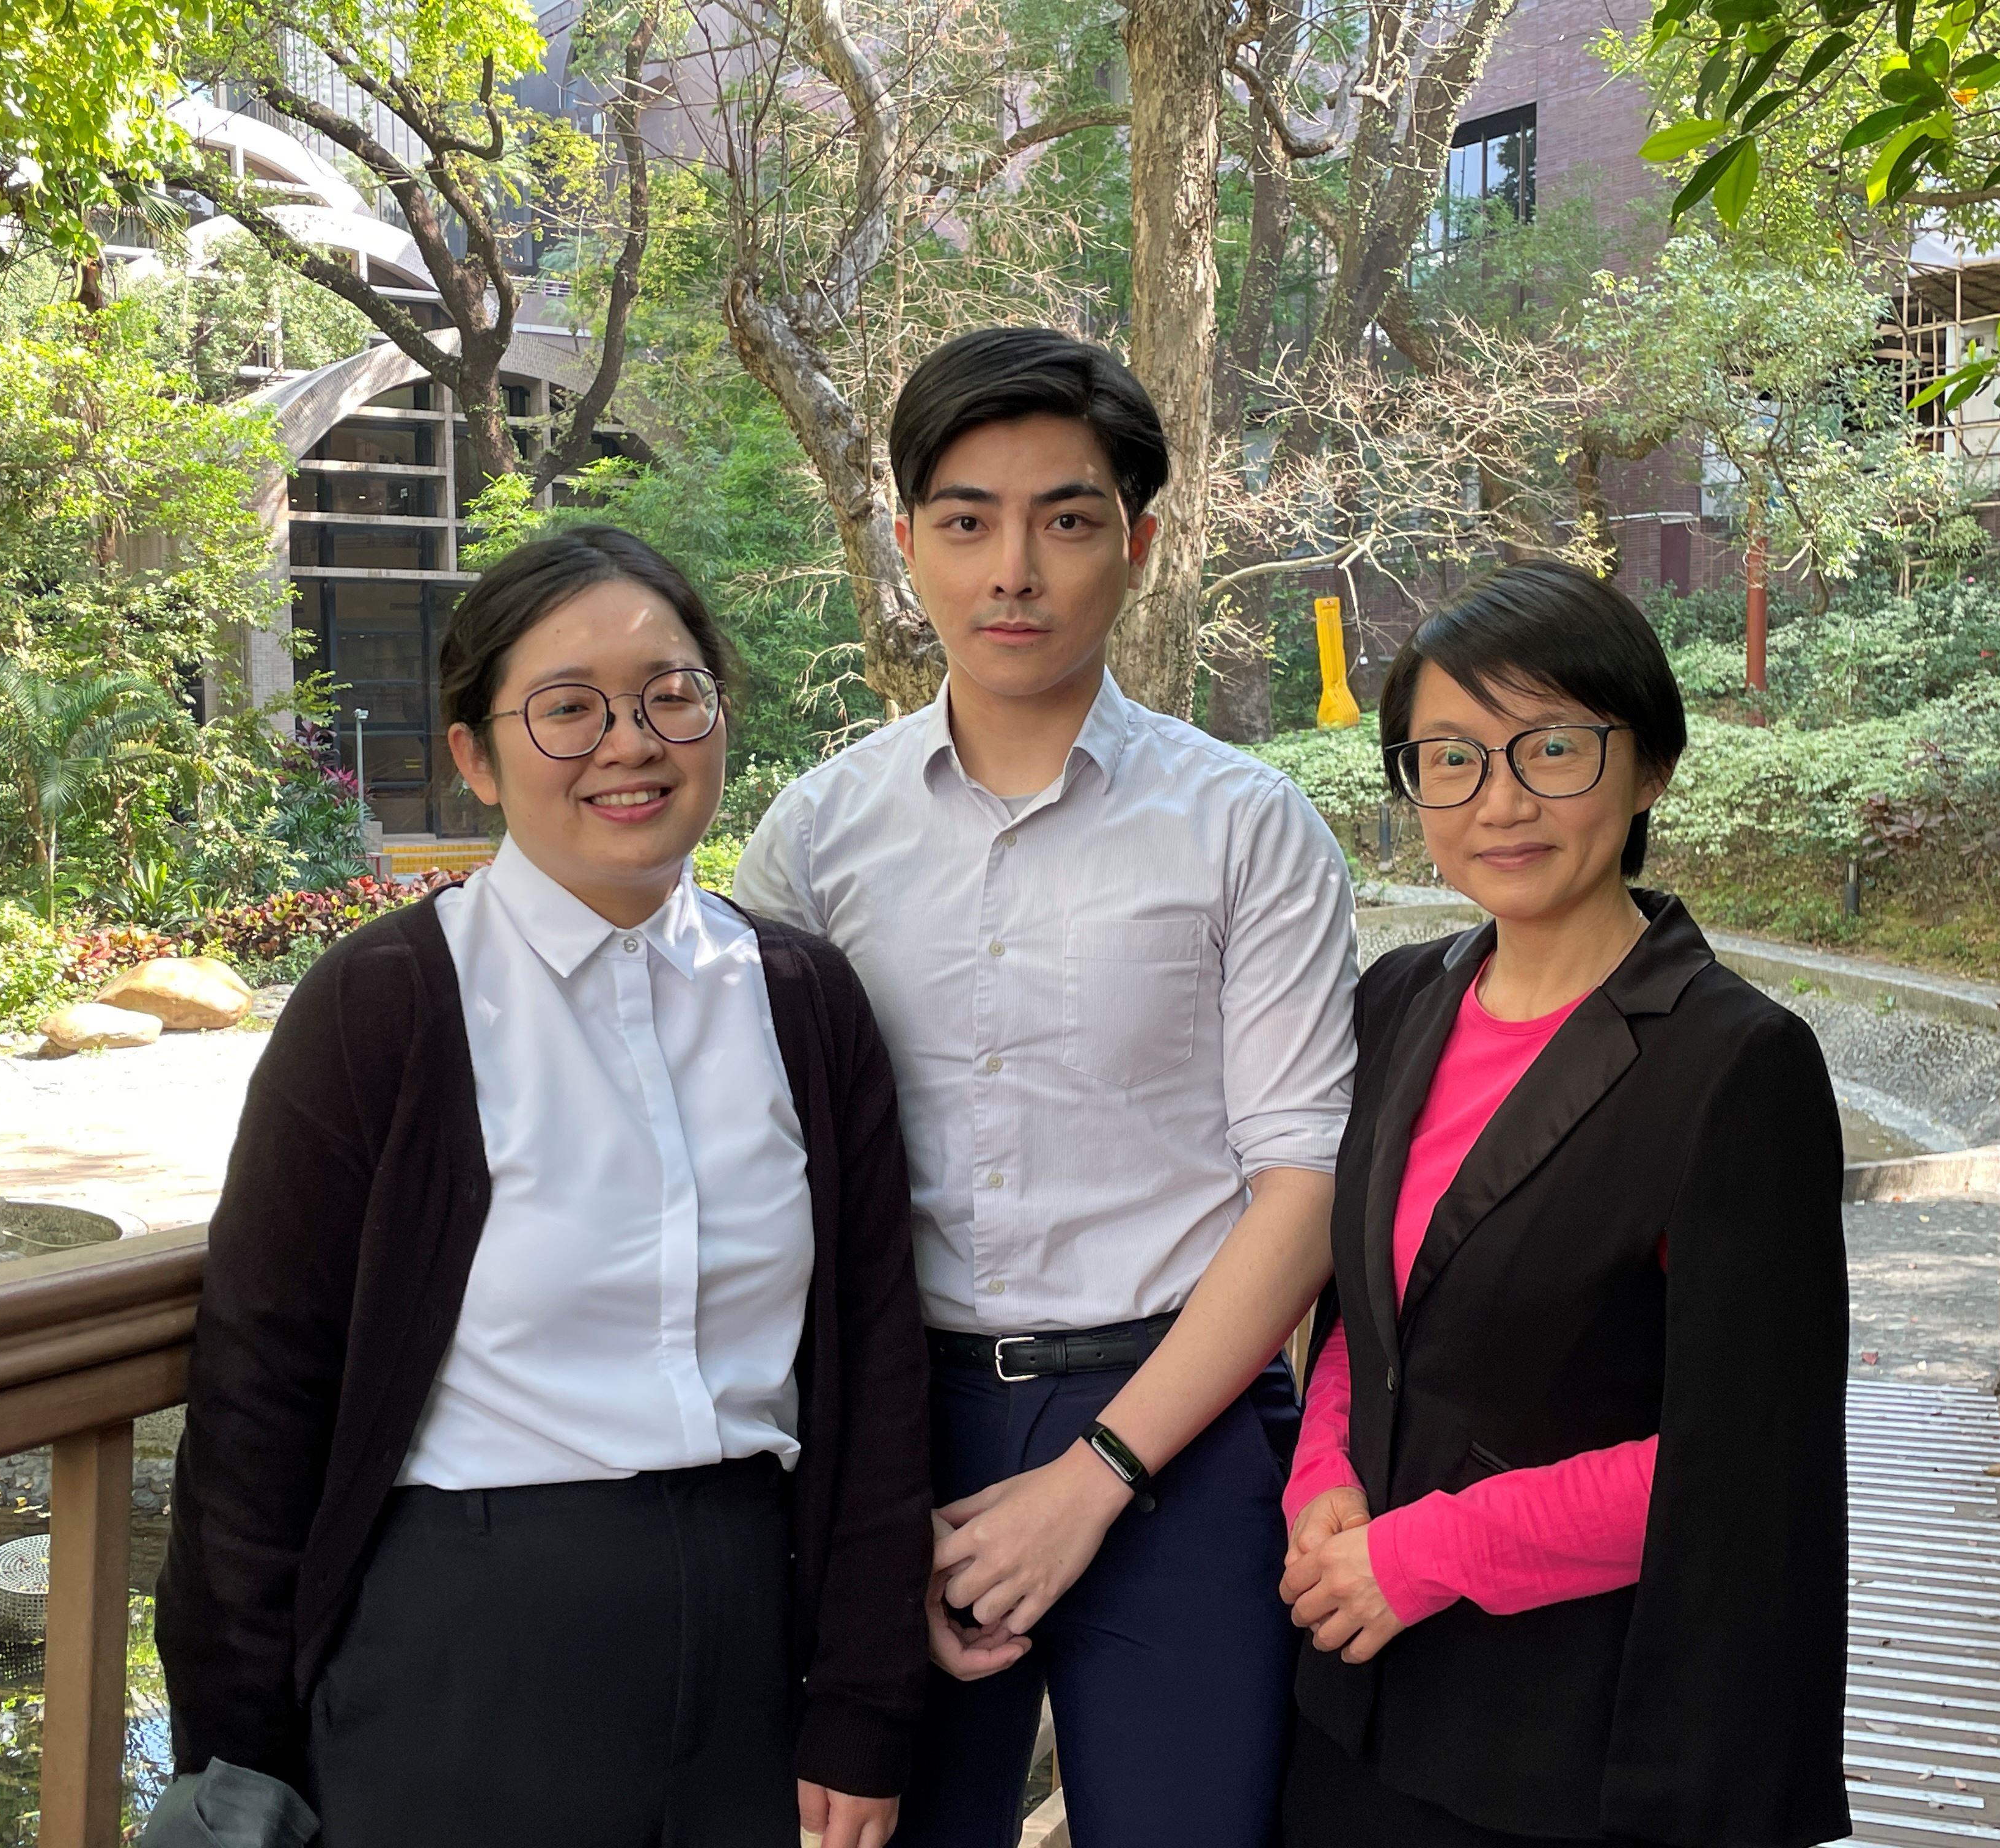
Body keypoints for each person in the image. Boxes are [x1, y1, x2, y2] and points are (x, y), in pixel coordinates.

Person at [155, 526, 933, 1848]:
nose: (631, 742)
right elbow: (260, 1389)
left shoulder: (803, 999)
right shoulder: (385, 1003)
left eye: (671, 695)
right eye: (568, 708)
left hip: (756, 1642)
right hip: (464, 1655)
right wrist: (238, 1757)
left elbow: (875, 1361)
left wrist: (867, 1698)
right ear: (475, 754)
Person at [734, 327, 1358, 1847]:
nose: (1013, 571)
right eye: (967, 522)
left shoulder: (1248, 828)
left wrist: (1098, 1476)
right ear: (908, 547)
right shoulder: (816, 839)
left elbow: (1305, 1185)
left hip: (1184, 1425)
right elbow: (757, 1176)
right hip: (900, 1427)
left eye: (1066, 520)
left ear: (1135, 546)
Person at [1275, 562, 1848, 1848]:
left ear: (1649, 767)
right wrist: (1321, 1483)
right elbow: (1366, 1315)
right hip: (1351, 1696)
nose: (1501, 801)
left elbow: (1739, 1459)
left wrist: (1422, 1556)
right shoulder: (1397, 1000)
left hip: (1570, 1736)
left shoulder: (1734, 1063)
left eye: (1551, 747)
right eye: (1451, 758)